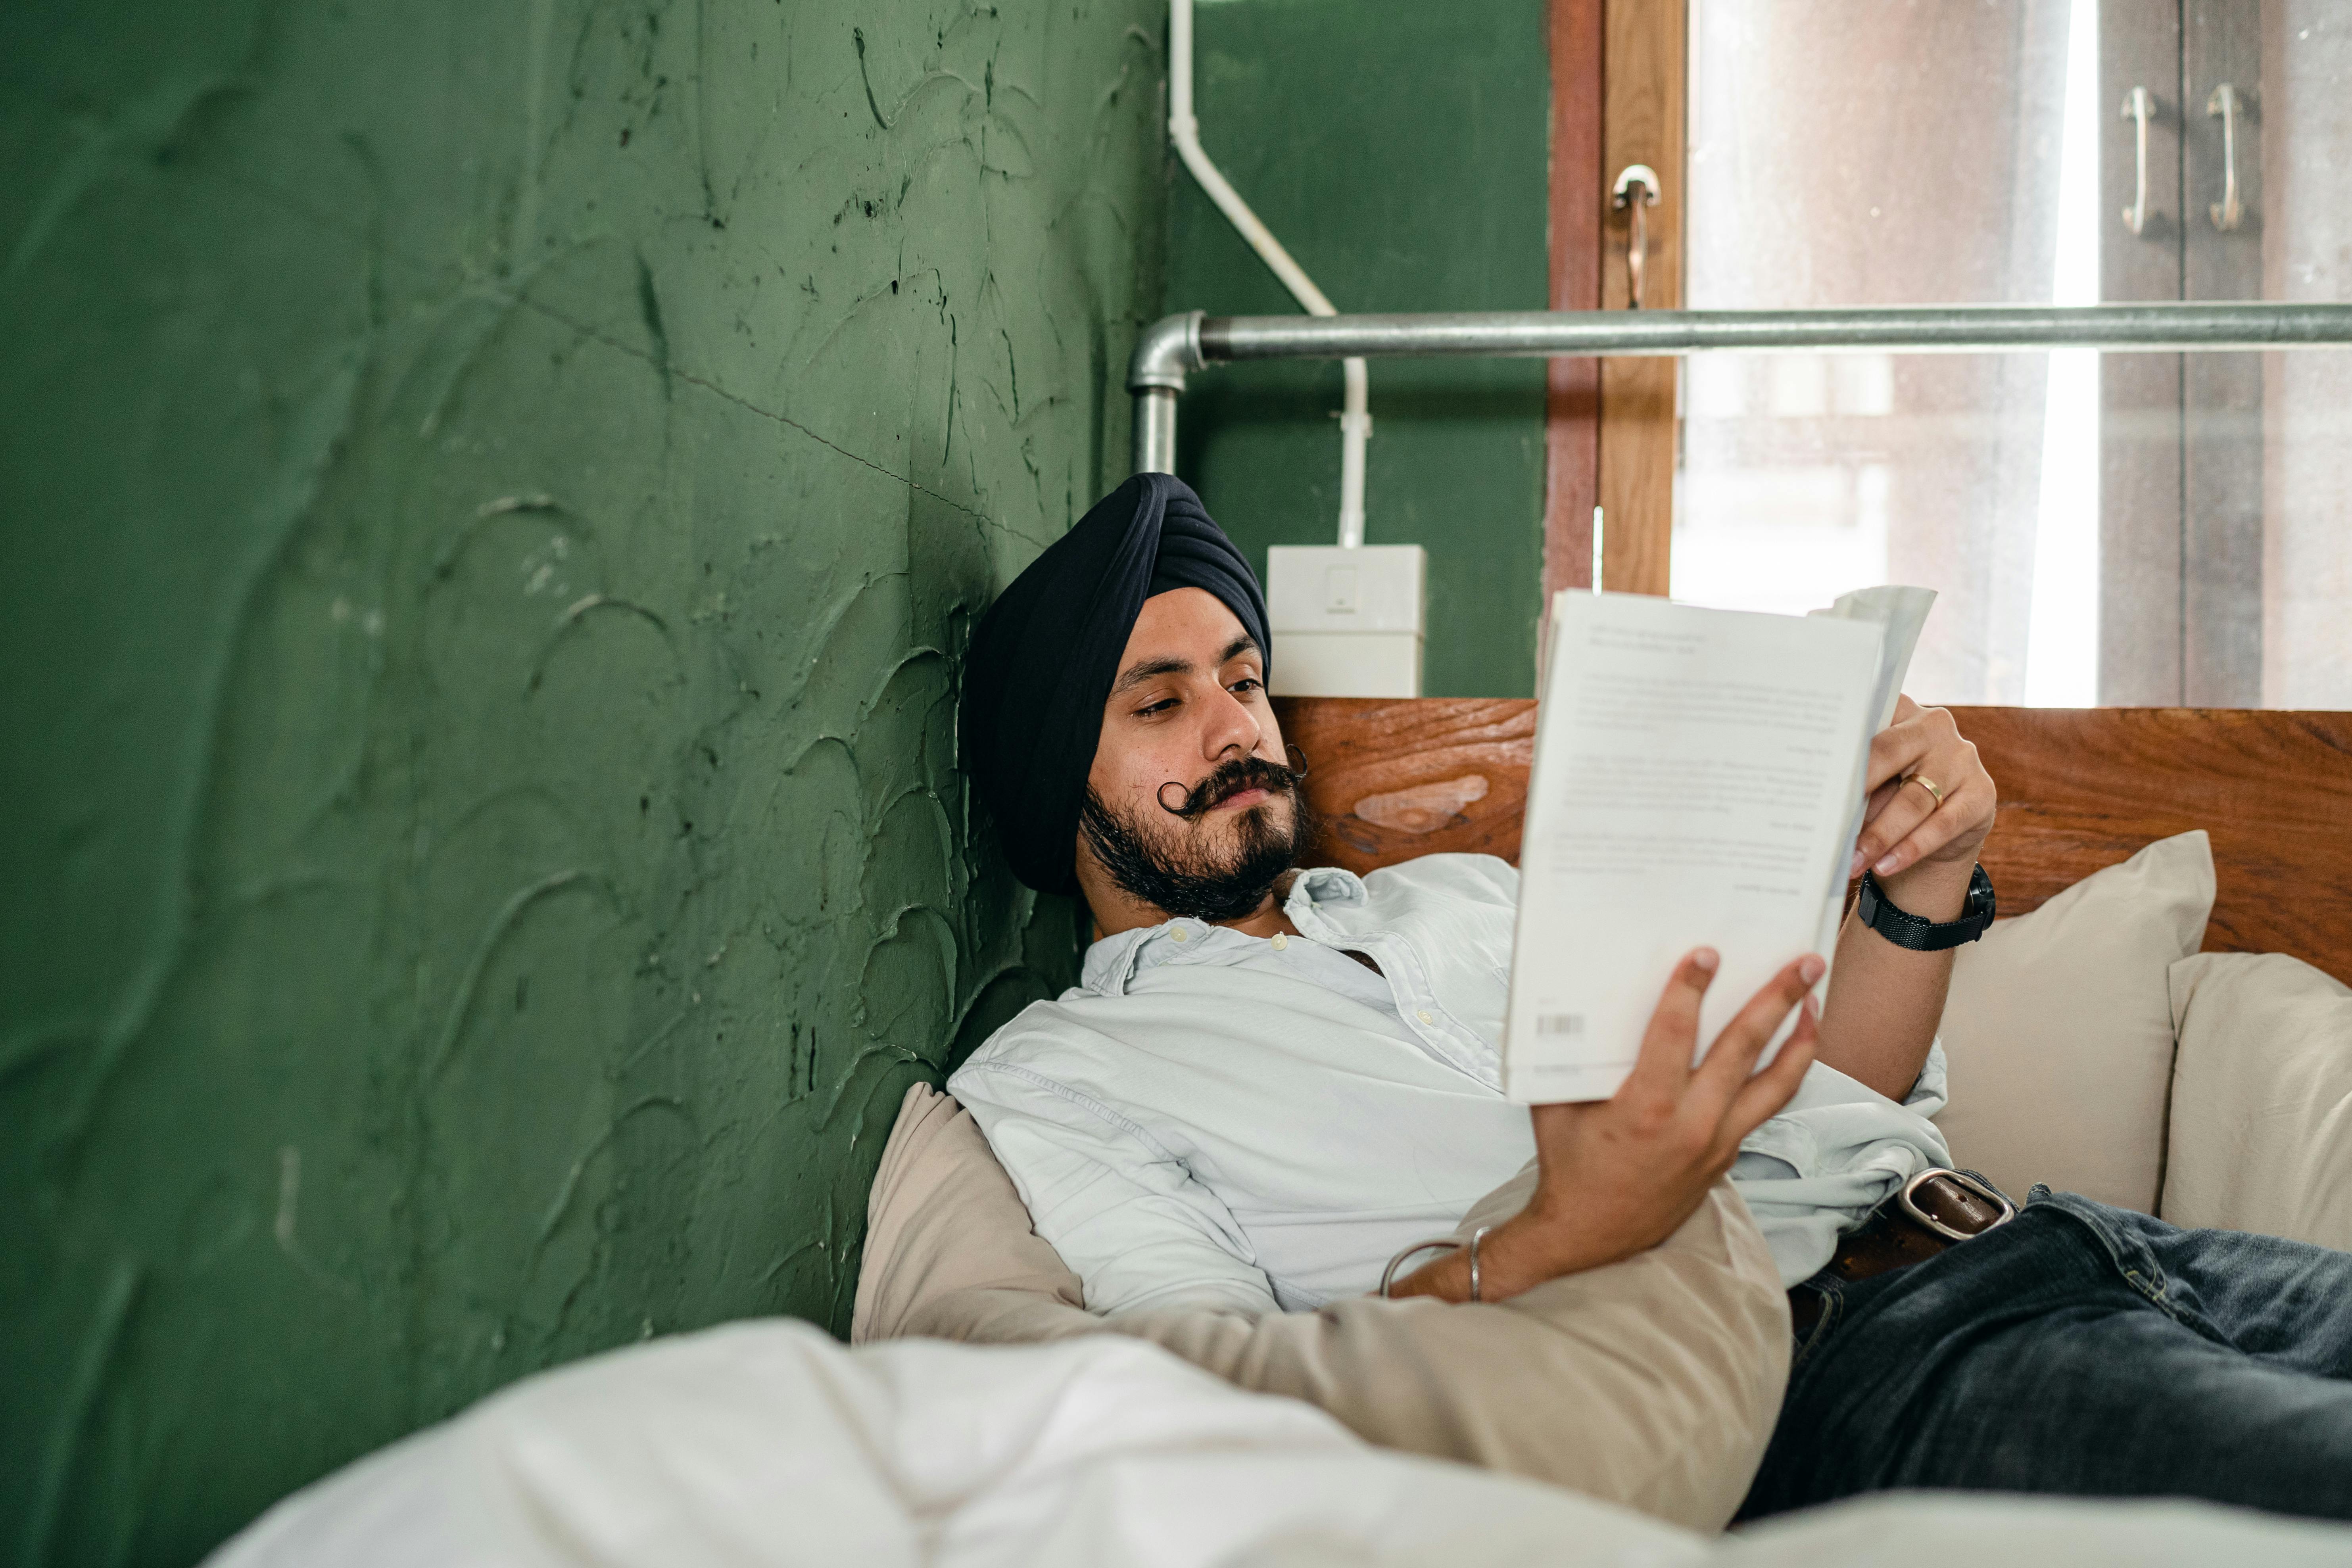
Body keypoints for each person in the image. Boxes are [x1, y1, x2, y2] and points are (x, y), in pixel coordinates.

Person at [946, 474, 2352, 1522]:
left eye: (1245, 680)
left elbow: (1839, 1100)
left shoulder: (1468, 896)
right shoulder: (1066, 1077)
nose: (1236, 725)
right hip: (1844, 1374)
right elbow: (1239, 1384)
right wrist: (1556, 1238)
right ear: (1050, 777)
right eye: (1160, 702)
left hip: (2059, 1242)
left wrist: (1923, 881)